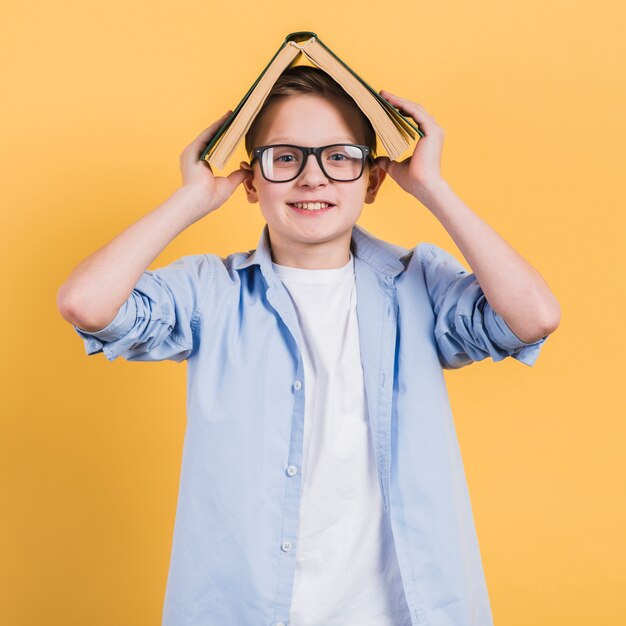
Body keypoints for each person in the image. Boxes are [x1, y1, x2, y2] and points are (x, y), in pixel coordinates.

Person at [57, 66, 560, 626]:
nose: (312, 178)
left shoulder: (419, 283)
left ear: (372, 180)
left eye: (340, 156)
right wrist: (191, 198)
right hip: (245, 609)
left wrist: (434, 189)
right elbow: (86, 303)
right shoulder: (210, 293)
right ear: (252, 181)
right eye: (285, 157)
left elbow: (534, 316)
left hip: (397, 612)